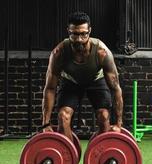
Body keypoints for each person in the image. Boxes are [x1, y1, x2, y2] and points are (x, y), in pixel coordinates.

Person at [42, 11, 123, 142]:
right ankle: (68, 158)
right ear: (68, 31)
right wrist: (45, 123)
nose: (79, 39)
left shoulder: (102, 52)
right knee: (63, 117)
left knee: (103, 116)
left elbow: (115, 88)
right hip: (70, 81)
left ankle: (102, 158)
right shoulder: (59, 53)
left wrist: (119, 124)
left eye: (83, 34)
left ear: (89, 31)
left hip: (96, 80)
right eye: (75, 34)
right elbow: (50, 88)